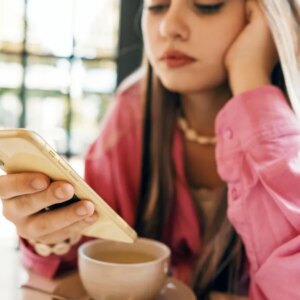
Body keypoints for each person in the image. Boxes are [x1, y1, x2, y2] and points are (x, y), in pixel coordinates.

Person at [1, 0, 300, 299]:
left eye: (207, 5)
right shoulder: (132, 112)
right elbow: (85, 252)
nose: (168, 27)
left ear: (263, 19)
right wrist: (51, 234)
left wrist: (251, 82)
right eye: (156, 6)